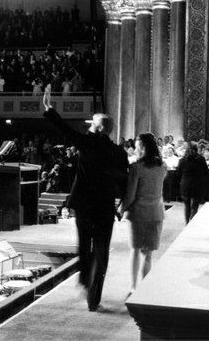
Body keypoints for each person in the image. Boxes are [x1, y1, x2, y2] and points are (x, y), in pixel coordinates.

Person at [42, 86, 128, 311]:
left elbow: (64, 129)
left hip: (84, 203)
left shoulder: (88, 143)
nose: (89, 125)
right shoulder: (119, 152)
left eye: (92, 123)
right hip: (105, 205)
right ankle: (94, 294)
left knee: (84, 244)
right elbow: (124, 180)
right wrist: (122, 204)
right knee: (101, 248)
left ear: (99, 127)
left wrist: (49, 110)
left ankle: (84, 278)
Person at [118, 133, 167, 297]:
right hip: (156, 213)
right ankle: (145, 290)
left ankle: (133, 288)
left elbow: (130, 196)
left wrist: (121, 209)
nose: (135, 149)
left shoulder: (136, 168)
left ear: (143, 148)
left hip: (138, 214)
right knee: (148, 255)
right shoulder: (163, 167)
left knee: (134, 250)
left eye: (138, 146)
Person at [177, 142, 208, 223]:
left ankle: (187, 223)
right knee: (195, 205)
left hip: (185, 185)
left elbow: (178, 173)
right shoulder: (201, 159)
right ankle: (192, 223)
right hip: (197, 185)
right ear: (196, 149)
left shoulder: (182, 160)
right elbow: (206, 172)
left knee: (187, 205)